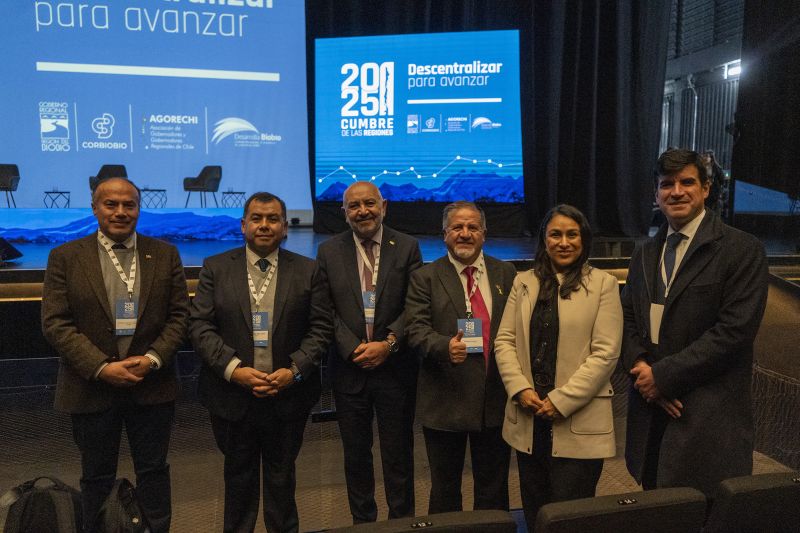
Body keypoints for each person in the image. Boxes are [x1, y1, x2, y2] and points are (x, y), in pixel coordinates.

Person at [42, 177, 189, 532]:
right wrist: (101, 367)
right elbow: (56, 323)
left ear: (139, 209)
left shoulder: (165, 254)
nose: (121, 212)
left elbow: (180, 317)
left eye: (129, 205)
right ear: (95, 208)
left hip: (151, 386)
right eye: (111, 204)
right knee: (96, 477)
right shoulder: (65, 257)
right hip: (91, 388)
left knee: (154, 472)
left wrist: (152, 359)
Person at [623, 148, 769, 497]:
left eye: (687, 182)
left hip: (706, 421)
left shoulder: (742, 250)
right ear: (656, 194)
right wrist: (641, 367)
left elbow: (733, 333)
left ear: (705, 189)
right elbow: (625, 317)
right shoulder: (644, 252)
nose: (676, 192)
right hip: (651, 416)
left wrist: (662, 377)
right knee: (657, 507)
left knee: (704, 511)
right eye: (666, 184)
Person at [189, 192, 331, 533]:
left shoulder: (308, 270)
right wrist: (234, 371)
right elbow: (200, 326)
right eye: (257, 218)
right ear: (243, 225)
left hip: (288, 395)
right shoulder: (216, 268)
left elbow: (321, 328)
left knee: (283, 481)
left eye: (272, 219)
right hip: (233, 396)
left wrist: (294, 372)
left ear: (285, 227)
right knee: (238, 481)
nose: (264, 225)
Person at [494, 204, 622, 530]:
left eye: (572, 234)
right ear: (544, 239)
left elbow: (605, 354)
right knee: (536, 512)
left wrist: (560, 401)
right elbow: (504, 341)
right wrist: (519, 388)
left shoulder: (604, 284)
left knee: (571, 517)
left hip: (577, 418)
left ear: (584, 239)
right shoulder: (523, 282)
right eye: (555, 234)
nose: (563, 242)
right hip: (530, 415)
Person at [315, 181, 422, 523]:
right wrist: (353, 348)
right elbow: (324, 309)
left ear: (384, 206)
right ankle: (363, 524)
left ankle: (401, 523)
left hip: (395, 370)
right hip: (350, 371)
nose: (363, 211)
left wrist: (388, 344)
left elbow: (416, 306)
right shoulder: (328, 251)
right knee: (356, 456)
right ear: (344, 212)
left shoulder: (406, 247)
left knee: (398, 455)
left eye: (369, 203)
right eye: (354, 206)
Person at [405, 201, 517, 514]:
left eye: (472, 227)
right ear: (445, 234)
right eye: (457, 227)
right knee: (445, 491)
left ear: (484, 234)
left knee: (493, 488)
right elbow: (414, 329)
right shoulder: (425, 277)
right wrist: (444, 346)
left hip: (494, 401)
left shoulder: (505, 273)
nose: (465, 233)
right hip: (445, 400)